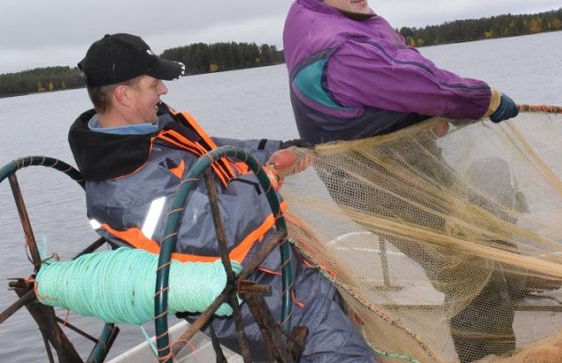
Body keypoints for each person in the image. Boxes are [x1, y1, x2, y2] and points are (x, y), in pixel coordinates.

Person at [68, 33, 376, 362]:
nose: (164, 90)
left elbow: (216, 150)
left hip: (292, 270)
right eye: (154, 83)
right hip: (266, 306)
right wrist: (269, 174)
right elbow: (216, 230)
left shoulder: (152, 133)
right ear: (123, 95)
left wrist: (282, 148)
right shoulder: (123, 193)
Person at [283, 0, 522, 362]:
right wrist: (483, 99)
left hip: (407, 160)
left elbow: (410, 70)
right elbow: (419, 85)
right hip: (372, 179)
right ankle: (487, 358)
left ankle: (516, 286)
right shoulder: (339, 49)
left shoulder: (341, 19)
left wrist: (420, 121)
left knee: (481, 214)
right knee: (465, 269)